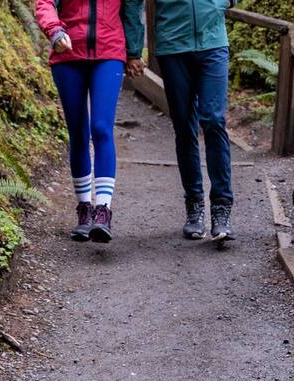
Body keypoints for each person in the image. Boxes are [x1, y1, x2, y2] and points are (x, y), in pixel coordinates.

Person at [122, 0, 235, 243]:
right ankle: (194, 205)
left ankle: (221, 207)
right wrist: (133, 49)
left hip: (213, 42)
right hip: (173, 46)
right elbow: (132, 3)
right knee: (184, 126)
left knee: (214, 121)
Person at [36, 0, 127, 242]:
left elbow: (133, 9)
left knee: (101, 128)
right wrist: (55, 31)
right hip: (67, 53)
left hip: (109, 52)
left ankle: (103, 210)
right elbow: (44, 3)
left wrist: (136, 51)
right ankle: (84, 209)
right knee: (77, 131)